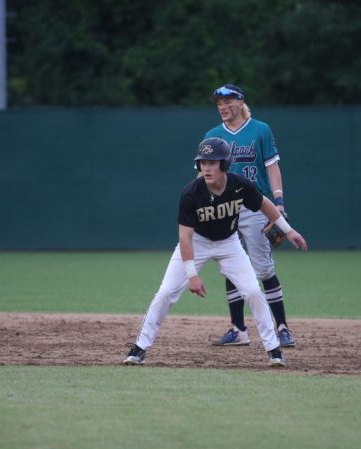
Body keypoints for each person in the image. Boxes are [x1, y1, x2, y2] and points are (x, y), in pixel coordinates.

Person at [124, 137, 307, 368]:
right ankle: (139, 347)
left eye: (213, 162)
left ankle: (273, 350)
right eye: (203, 162)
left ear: (225, 164)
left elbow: (264, 204)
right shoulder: (191, 193)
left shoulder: (239, 185)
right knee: (166, 291)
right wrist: (192, 275)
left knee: (252, 290)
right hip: (197, 242)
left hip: (229, 243)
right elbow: (185, 237)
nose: (206, 167)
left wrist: (288, 230)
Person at [202, 84, 298, 349]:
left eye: (227, 101)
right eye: (218, 103)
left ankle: (282, 328)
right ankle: (239, 329)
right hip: (226, 207)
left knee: (264, 267)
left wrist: (278, 202)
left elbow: (272, 167)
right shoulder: (213, 135)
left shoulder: (260, 130)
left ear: (240, 102)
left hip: (256, 205)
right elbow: (204, 175)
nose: (222, 107)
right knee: (230, 266)